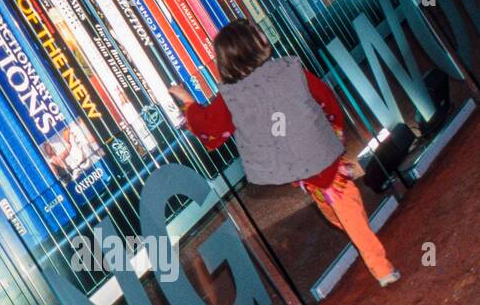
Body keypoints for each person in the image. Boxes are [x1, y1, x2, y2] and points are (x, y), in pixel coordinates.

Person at [170, 18, 400, 287]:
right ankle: (376, 258)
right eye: (257, 32)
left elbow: (210, 126)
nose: (263, 34)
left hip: (295, 166)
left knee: (339, 206)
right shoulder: (290, 69)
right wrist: (334, 130)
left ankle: (378, 263)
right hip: (319, 156)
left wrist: (188, 103)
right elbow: (325, 98)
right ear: (253, 45)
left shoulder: (231, 96)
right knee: (343, 207)